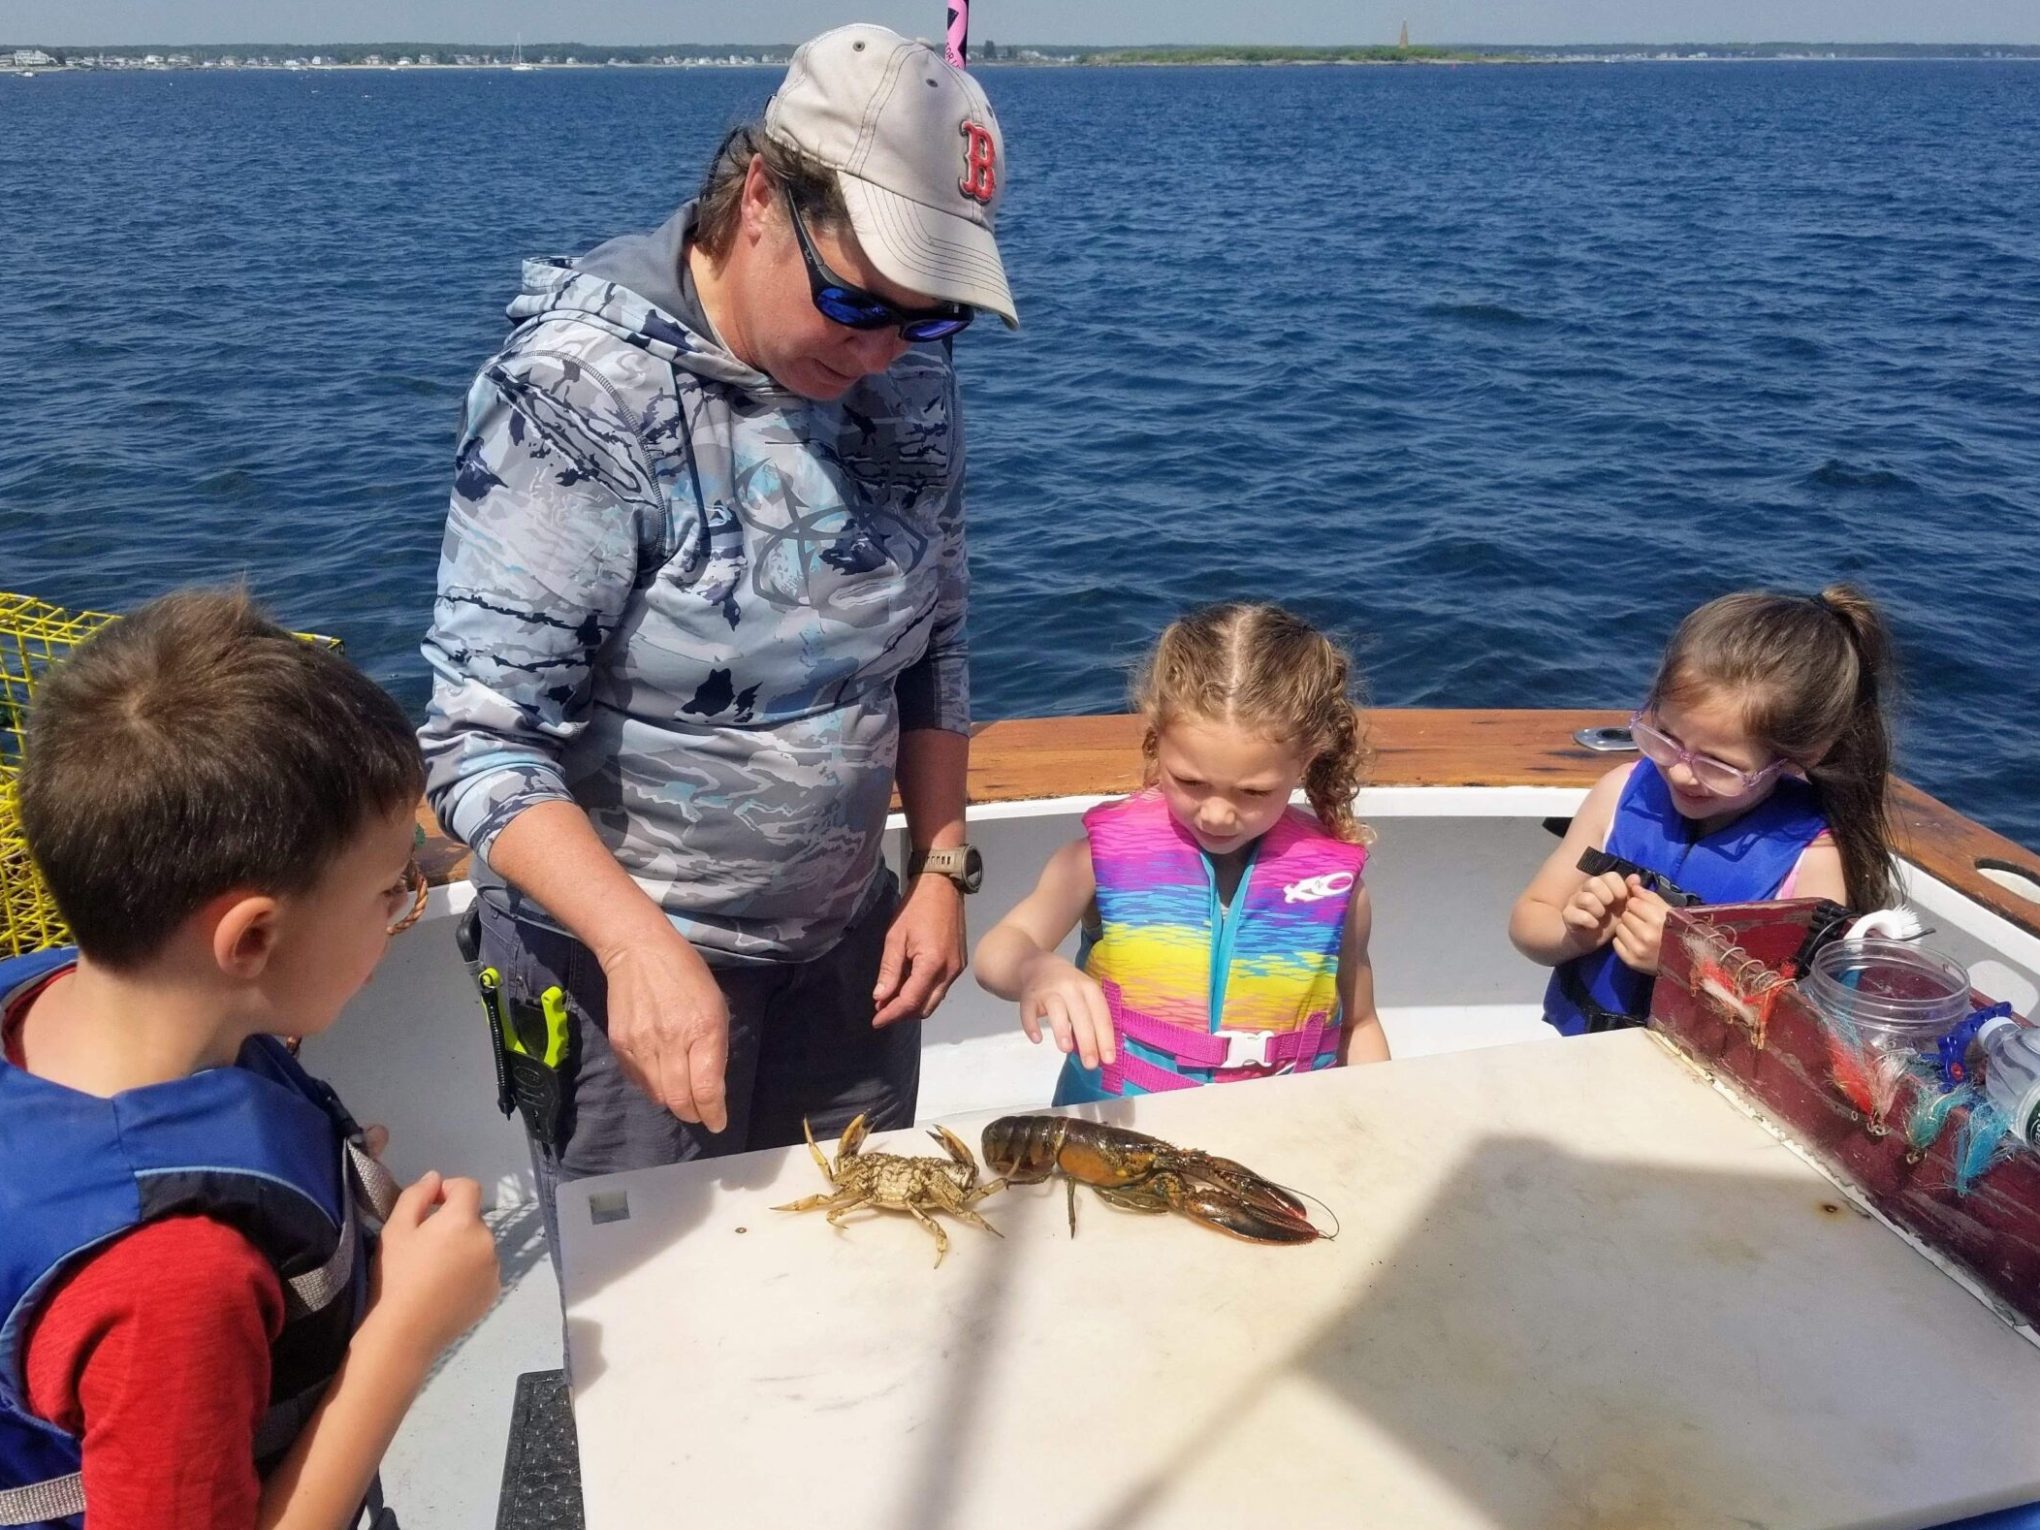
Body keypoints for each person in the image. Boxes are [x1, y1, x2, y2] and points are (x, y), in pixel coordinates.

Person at [419, 23, 1016, 1242]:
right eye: (856, 299)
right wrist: (636, 950)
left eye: (931, 316)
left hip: (849, 951)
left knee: (860, 1263)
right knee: (659, 1324)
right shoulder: (579, 393)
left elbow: (933, 637)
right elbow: (480, 746)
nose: (882, 347)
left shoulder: (900, 369)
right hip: (621, 969)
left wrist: (942, 865)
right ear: (760, 196)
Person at [0, 589, 500, 1530]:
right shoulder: (176, 1283)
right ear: (250, 940)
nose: (404, 911)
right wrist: (405, 1327)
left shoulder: (54, 1002)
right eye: (392, 889)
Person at [975, 603, 1387, 1099]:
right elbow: (1000, 948)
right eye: (1190, 782)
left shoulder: (1338, 891)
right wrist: (1035, 969)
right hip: (1120, 1144)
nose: (1217, 814)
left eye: (1253, 792)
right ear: (1156, 739)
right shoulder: (1093, 862)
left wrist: (1374, 1116)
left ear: (1305, 762)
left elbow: (1357, 1024)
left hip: (1278, 1133)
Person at [1510, 585, 1898, 1035]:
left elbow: (1804, 1030)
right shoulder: (1619, 792)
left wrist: (1684, 964)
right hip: (1583, 1057)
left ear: (1798, 757)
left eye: (1720, 766)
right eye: (1665, 739)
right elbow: (1528, 921)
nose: (1681, 774)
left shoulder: (1811, 861)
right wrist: (1572, 934)